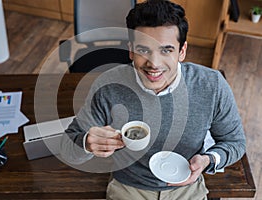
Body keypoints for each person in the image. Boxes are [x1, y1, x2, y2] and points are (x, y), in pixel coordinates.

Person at [60, 0, 246, 199]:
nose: (154, 64)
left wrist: (208, 160)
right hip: (128, 187)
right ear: (131, 50)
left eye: (166, 50)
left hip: (187, 188)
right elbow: (67, 149)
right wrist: (86, 143)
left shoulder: (212, 85)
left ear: (182, 51)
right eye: (143, 50)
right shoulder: (108, 86)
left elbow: (234, 142)